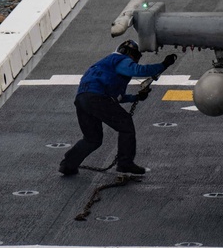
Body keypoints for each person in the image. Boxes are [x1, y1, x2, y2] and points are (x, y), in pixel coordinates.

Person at [59, 40, 177, 176]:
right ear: (128, 53)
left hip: (82, 99)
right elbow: (139, 70)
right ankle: (125, 163)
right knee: (126, 125)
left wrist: (136, 97)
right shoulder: (121, 60)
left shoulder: (104, 65)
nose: (135, 61)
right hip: (96, 98)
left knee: (92, 139)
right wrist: (163, 65)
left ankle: (68, 165)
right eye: (135, 56)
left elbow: (116, 97)